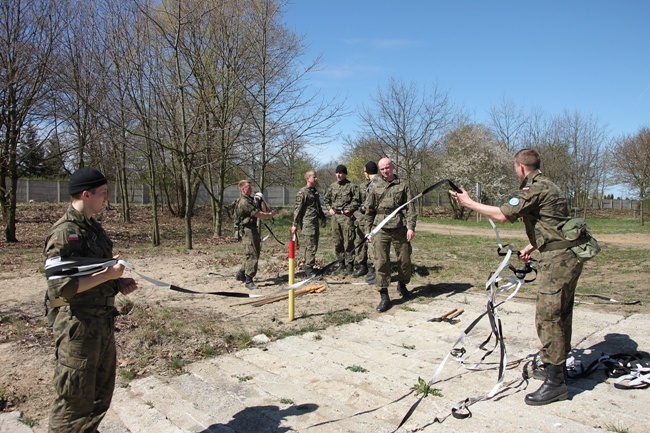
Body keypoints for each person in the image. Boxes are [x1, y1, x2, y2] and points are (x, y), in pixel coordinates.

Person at [451, 148, 584, 406]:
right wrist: (533, 245)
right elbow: (555, 223)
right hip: (566, 256)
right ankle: (557, 369)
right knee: (561, 314)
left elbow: (502, 215)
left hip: (558, 263)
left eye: (515, 168)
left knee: (548, 317)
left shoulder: (534, 189)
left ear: (521, 167)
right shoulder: (551, 186)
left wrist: (468, 203)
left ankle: (556, 383)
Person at [43, 167, 139, 433]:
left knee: (99, 392)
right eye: (103, 193)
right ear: (86, 194)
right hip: (78, 326)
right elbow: (62, 287)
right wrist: (109, 273)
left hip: (101, 322)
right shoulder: (65, 232)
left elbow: (88, 273)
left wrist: (116, 283)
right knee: (74, 399)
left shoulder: (92, 228)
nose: (106, 198)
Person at [362, 158, 416, 312]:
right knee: (381, 262)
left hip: (399, 227)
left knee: (404, 260)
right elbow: (369, 210)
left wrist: (411, 227)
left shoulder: (403, 185)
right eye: (382, 169)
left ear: (393, 167)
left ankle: (402, 285)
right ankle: (384, 296)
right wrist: (368, 231)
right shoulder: (374, 185)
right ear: (380, 170)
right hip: (380, 229)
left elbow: (411, 209)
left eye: (387, 167)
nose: (385, 170)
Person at [234, 179, 277, 289]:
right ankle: (249, 280)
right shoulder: (244, 202)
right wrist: (270, 215)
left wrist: (261, 201)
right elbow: (258, 214)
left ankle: (241, 274)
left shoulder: (250, 200)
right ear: (243, 189)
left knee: (252, 253)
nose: (251, 188)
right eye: (248, 187)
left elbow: (261, 209)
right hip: (248, 230)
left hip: (252, 228)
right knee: (252, 254)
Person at [323, 164, 360, 275]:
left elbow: (357, 200)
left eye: (341, 173)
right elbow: (326, 199)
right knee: (337, 242)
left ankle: (350, 264)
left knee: (349, 241)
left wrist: (350, 209)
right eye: (337, 173)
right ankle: (341, 264)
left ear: (345, 174)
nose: (339, 175)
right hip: (335, 217)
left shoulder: (351, 186)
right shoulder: (332, 186)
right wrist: (329, 209)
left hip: (347, 217)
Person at [290, 170, 328, 277]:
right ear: (308, 179)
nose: (316, 179)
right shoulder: (303, 193)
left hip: (315, 222)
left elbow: (318, 207)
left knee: (314, 245)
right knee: (310, 246)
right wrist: (294, 224)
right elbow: (297, 209)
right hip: (307, 223)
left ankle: (310, 266)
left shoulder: (314, 192)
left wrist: (323, 218)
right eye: (314, 177)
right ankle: (308, 269)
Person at [352, 161, 379, 278]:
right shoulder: (364, 186)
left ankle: (374, 269)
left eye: (364, 171)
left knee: (373, 245)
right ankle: (363, 266)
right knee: (360, 243)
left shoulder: (380, 184)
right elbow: (355, 200)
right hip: (363, 221)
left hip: (375, 220)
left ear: (367, 172)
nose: (364, 174)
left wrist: (362, 208)